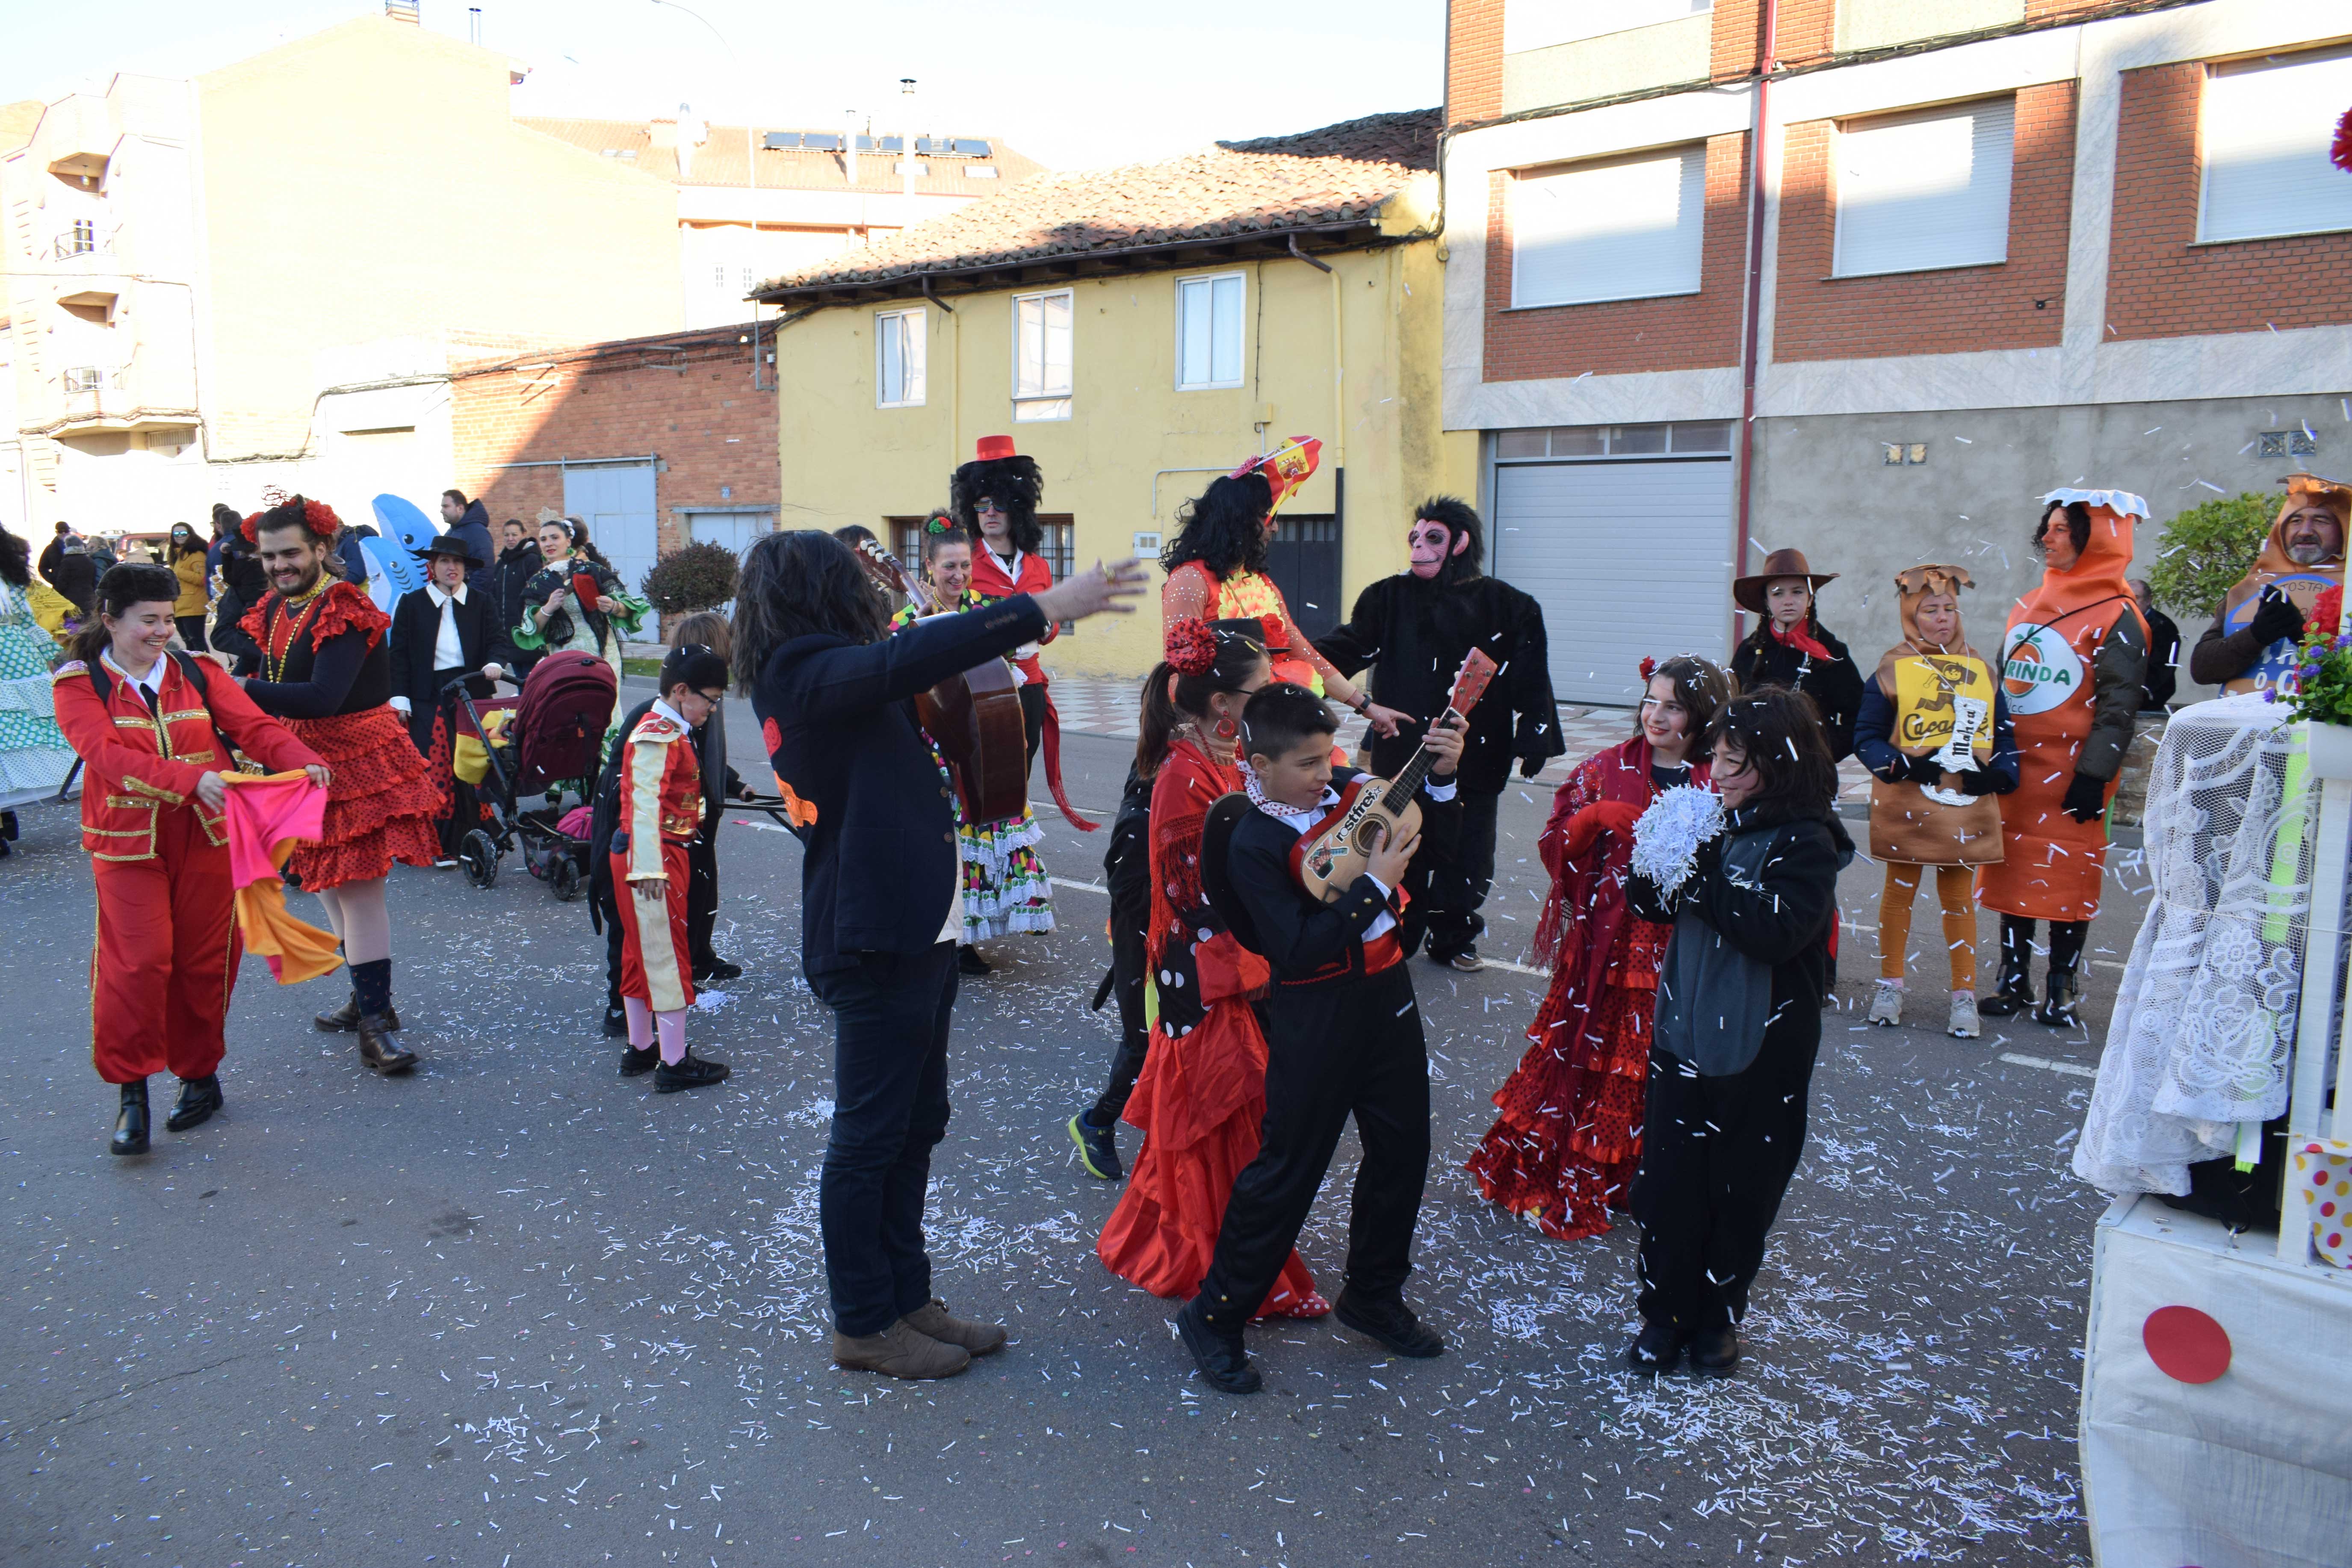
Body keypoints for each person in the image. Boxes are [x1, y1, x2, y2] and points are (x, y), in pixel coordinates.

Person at [739, 529, 1145, 1379]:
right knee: (868, 1139)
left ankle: (905, 1296)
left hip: (919, 923)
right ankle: (863, 1320)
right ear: (819, 592)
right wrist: (1042, 607)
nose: (865, 591)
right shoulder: (801, 671)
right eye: (850, 578)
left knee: (916, 1125)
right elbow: (909, 658)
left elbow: (916, 671)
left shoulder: (840, 666)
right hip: (874, 931)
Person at [1175, 682, 1462, 1395]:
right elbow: (1297, 950)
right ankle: (1215, 1313)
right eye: (1305, 763)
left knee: (1403, 1151)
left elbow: (1434, 850)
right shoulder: (1254, 839)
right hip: (1318, 1011)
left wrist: (1446, 777)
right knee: (1289, 1168)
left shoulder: (1346, 794)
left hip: (1388, 996)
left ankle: (1373, 1292)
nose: (1323, 772)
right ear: (1259, 762)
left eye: (1327, 755)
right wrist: (1373, 886)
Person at [1096, 617, 1335, 1316]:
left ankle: (1181, 1242)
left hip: (1228, 972)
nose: (1276, 691)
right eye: (1263, 686)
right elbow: (1200, 900)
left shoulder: (1220, 757)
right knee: (1228, 1125)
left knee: (1218, 1128)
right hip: (1211, 982)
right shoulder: (1182, 779)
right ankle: (1233, 1272)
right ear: (1224, 704)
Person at [51, 562, 328, 1152]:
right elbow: (102, 753)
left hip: (207, 835)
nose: (161, 631)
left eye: (168, 618)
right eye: (147, 620)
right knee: (139, 962)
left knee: (206, 960)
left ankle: (200, 1074)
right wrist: (184, 779)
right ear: (110, 620)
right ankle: (132, 1090)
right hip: (128, 844)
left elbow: (252, 726)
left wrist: (302, 757)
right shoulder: (78, 682)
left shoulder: (195, 671)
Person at [1622, 686, 1850, 1376]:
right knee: (1669, 1183)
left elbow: (1774, 931)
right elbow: (1650, 903)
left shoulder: (1808, 839)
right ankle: (1663, 1314)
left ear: (1779, 764)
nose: (1717, 774)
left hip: (1763, 1049)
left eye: (1737, 762)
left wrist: (1697, 873)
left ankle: (1719, 1317)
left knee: (1741, 1188)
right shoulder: (1711, 814)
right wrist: (1657, 855)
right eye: (1716, 758)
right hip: (1684, 1031)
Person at [1464, 655, 1728, 1241]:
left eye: (1674, 705)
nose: (1655, 715)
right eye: (1651, 700)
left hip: (1685, 951)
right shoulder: (1605, 769)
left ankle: (1647, 1176)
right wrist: (1596, 818)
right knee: (1586, 1054)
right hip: (1607, 944)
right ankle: (1581, 1170)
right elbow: (1554, 844)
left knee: (1660, 1067)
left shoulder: (1720, 779)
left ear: (1701, 714)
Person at [1316, 496, 1565, 972]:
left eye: (1432, 537)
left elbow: (1531, 677)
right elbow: (1344, 648)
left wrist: (1535, 735)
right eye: (1415, 537)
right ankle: (1398, 928)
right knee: (1398, 844)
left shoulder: (1511, 606)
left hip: (1476, 756)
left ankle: (1454, 935)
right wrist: (1294, 658)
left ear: (1459, 542)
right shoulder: (1386, 598)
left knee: (1468, 857)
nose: (1419, 546)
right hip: (1401, 754)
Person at [236, 495, 440, 1073]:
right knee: (325, 881)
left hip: (355, 757)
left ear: (322, 549)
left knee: (357, 889)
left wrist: (236, 691)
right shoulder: (277, 606)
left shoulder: (343, 605)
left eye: (292, 552)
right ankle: (367, 999)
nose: (280, 564)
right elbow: (282, 681)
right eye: (270, 555)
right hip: (300, 756)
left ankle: (377, 1023)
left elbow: (324, 696)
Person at [1979, 490, 2149, 1028]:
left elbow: (2119, 709)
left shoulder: (2119, 616)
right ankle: (2012, 980)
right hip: (2017, 772)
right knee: (2011, 874)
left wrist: (2093, 774)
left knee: (2067, 878)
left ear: (2095, 536)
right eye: (2047, 527)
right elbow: (2007, 684)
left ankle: (2061, 985)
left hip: (2073, 777)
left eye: (2060, 528)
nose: (2046, 537)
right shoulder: (2027, 605)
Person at [1854, 567, 2020, 1040]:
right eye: (1930, 610)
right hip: (1908, 801)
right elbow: (1865, 736)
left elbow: (2004, 735)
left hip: (1964, 802)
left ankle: (1963, 996)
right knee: (1898, 892)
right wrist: (1898, 765)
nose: (1942, 618)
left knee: (1957, 899)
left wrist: (2000, 774)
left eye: (1949, 608)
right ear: (1910, 614)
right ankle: (1889, 986)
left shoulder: (1982, 670)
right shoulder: (1889, 668)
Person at [890, 516, 1055, 974]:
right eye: (949, 567)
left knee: (995, 826)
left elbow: (1016, 662)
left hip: (989, 742)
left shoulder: (986, 609)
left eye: (964, 565)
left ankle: (989, 922)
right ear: (928, 567)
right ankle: (956, 938)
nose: (958, 575)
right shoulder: (906, 622)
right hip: (937, 749)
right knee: (955, 843)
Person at [1161, 462, 1406, 740]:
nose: (1276, 527)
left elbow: (1304, 653)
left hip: (1268, 727)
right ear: (1238, 518)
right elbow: (1178, 668)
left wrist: (1367, 707)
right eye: (1268, 516)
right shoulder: (1190, 579)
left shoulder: (1262, 583)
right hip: (1216, 733)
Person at [948, 436, 1100, 833]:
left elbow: (1049, 629)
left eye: (999, 502)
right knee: (980, 776)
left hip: (1030, 684)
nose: (990, 512)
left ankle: (1012, 848)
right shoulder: (965, 564)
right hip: (980, 686)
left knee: (1020, 776)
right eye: (981, 504)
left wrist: (1047, 626)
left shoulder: (1038, 566)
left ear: (1017, 505)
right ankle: (977, 850)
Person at [607, 643, 733, 1092]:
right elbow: (643, 803)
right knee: (665, 952)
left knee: (639, 951)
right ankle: (674, 1061)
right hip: (654, 854)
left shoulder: (665, 727)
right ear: (682, 691)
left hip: (648, 852)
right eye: (710, 698)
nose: (713, 709)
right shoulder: (660, 732)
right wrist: (649, 871)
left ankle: (642, 1045)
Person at [388, 529, 514, 863]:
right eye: (445, 561)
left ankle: (475, 837)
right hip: (427, 693)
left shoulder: (481, 601)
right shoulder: (412, 603)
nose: (452, 567)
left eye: (457, 561)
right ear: (433, 565)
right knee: (435, 764)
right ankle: (438, 842)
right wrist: (399, 697)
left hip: (471, 689)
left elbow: (498, 640)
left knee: (472, 762)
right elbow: (398, 654)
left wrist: (493, 662)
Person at [2187, 474, 2349, 694]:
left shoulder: (2349, 591)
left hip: (2308, 727)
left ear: (2344, 529)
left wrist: (2302, 636)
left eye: (2321, 521)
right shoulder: (2249, 589)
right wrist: (2257, 634)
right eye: (2296, 521)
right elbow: (2203, 670)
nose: (2305, 531)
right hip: (2236, 725)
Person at [1729, 548, 1865, 762]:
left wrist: (1825, 751)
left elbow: (1859, 715)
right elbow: (1731, 708)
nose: (1788, 600)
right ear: (1766, 601)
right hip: (1758, 766)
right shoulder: (1748, 651)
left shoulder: (1832, 653)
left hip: (1813, 770)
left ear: (1811, 598)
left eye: (1798, 592)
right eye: (1778, 593)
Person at [0, 521, 78, 855]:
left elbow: (29, 623)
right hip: (17, 659)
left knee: (16, 738)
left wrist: (56, 657)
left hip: (17, 660)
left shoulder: (11, 580)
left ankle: (5, 819)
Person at [514, 514, 645, 687]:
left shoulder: (592, 570)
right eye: (543, 539)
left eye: (555, 538)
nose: (549, 544)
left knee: (603, 707)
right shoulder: (537, 582)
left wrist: (613, 606)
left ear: (569, 541)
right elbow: (530, 628)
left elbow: (628, 606)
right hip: (563, 656)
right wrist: (548, 609)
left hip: (601, 653)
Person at [486, 517, 545, 679]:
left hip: (527, 630)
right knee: (518, 678)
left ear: (524, 534)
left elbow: (538, 593)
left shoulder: (531, 560)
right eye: (507, 535)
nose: (510, 539)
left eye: (514, 534)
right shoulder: (502, 563)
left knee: (529, 680)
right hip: (508, 632)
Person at [206, 529, 270, 677]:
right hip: (251, 631)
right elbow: (221, 635)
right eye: (269, 555)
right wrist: (263, 652)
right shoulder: (240, 585)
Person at [2130, 579, 2180, 711]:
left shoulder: (2162, 626)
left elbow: (2160, 670)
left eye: (2137, 598)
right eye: (2127, 597)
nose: (2131, 603)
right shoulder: (2120, 622)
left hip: (2149, 699)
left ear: (2149, 600)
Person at [167, 523, 210, 651]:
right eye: (177, 534)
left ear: (190, 535)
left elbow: (202, 578)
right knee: (189, 644)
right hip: (180, 605)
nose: (180, 537)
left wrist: (179, 572)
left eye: (183, 534)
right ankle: (194, 669)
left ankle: (205, 669)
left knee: (197, 642)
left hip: (194, 606)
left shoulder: (196, 555)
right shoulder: (178, 555)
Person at [439, 490, 495, 587]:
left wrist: (469, 597)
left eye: (446, 506)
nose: (442, 511)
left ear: (460, 508)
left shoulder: (477, 532)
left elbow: (485, 570)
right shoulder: (452, 531)